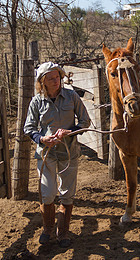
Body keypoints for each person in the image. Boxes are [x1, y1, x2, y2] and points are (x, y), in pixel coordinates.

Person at [24, 62, 90, 248]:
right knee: (47, 194)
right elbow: (29, 128)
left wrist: (71, 131)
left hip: (69, 154)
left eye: (58, 77)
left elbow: (85, 121)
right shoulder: (37, 101)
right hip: (46, 154)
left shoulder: (71, 96)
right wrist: (42, 138)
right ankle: (47, 229)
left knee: (67, 194)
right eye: (51, 78)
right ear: (42, 81)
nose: (56, 81)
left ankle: (63, 232)